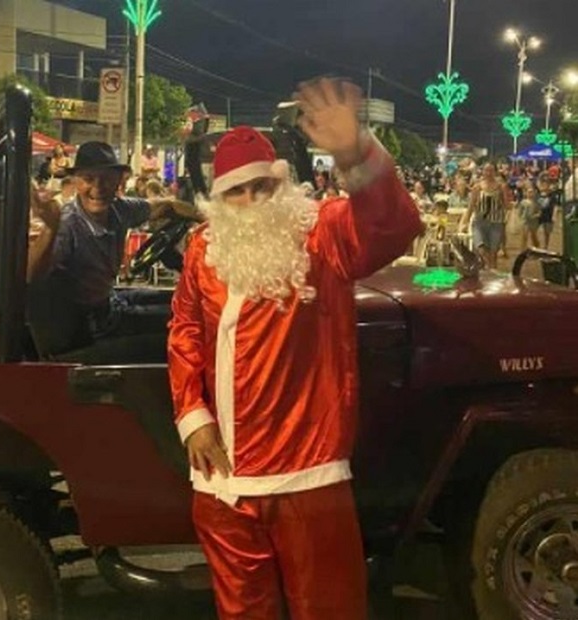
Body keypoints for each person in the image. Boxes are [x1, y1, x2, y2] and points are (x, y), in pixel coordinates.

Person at [167, 78, 423, 620]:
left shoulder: (321, 234)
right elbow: (185, 330)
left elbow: (394, 225)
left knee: (328, 610)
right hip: (223, 481)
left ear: (281, 185)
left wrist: (354, 151)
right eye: (236, 191)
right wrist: (193, 415)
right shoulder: (203, 250)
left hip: (306, 476)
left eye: (261, 186)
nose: (250, 200)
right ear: (219, 198)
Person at [27, 141, 201, 363]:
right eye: (89, 179)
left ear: (118, 181)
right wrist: (50, 228)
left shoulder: (119, 209)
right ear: (77, 181)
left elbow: (166, 205)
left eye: (106, 179)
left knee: (186, 305)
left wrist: (208, 219)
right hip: (89, 330)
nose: (98, 188)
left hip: (111, 306)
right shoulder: (67, 226)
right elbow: (31, 277)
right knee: (185, 333)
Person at [461, 162, 513, 269]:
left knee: (493, 254)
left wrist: (510, 203)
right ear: (483, 171)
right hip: (479, 223)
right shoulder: (477, 187)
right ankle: (485, 270)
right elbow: (471, 206)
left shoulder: (501, 187)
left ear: (495, 172)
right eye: (486, 170)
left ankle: (492, 276)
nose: (488, 173)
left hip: (496, 223)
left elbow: (506, 205)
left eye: (491, 170)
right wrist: (465, 223)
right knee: (481, 250)